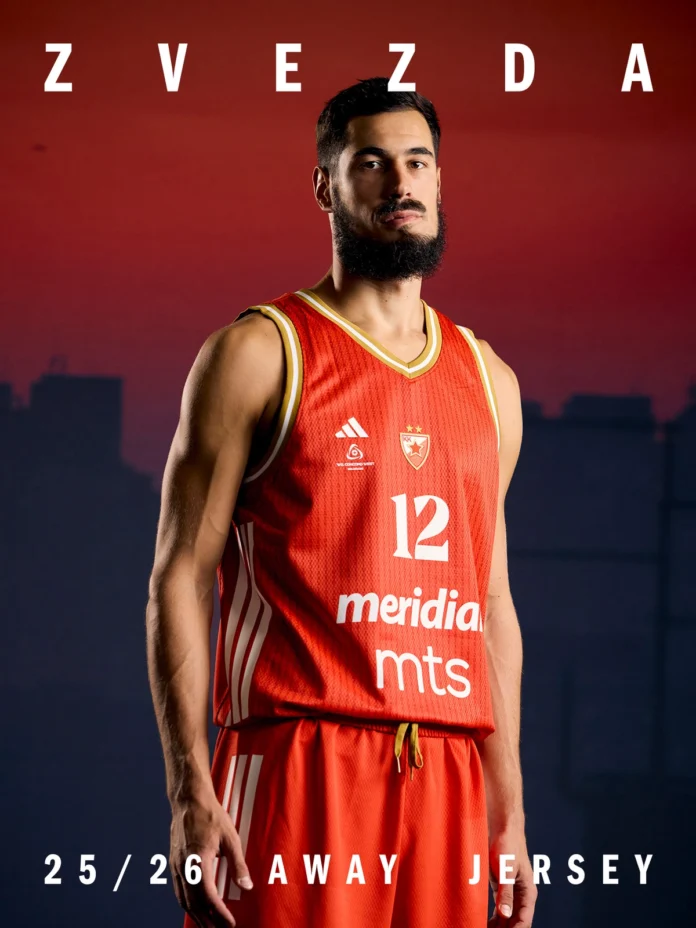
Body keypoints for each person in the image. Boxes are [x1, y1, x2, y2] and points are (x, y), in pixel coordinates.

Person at [146, 76, 537, 928]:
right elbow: (180, 576)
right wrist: (189, 789)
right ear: (325, 186)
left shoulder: (489, 382)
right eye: (371, 163)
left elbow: (489, 606)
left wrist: (508, 809)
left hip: (447, 774)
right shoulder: (259, 353)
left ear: (440, 181)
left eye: (418, 162)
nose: (401, 183)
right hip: (299, 759)